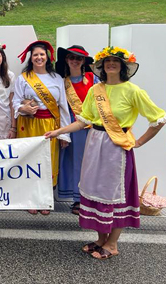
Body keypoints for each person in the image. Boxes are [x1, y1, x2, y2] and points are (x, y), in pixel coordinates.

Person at [45, 46, 166, 260]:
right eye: (107, 62)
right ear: (101, 66)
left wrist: (139, 141)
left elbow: (158, 119)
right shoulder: (95, 90)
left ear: (123, 66)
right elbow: (83, 120)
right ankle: (101, 239)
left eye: (116, 62)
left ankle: (112, 243)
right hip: (95, 144)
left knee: (114, 195)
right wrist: (59, 131)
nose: (111, 64)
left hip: (117, 148)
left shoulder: (133, 91)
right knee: (95, 190)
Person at [13, 40, 71, 215]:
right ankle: (30, 198)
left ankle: (45, 199)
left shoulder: (56, 79)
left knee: (48, 161)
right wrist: (23, 108)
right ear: (31, 58)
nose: (39, 57)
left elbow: (63, 107)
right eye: (36, 55)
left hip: (50, 126)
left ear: (48, 57)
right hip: (29, 124)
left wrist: (64, 134)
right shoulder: (23, 78)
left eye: (42, 55)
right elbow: (16, 101)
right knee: (30, 160)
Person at [55, 45, 98, 215]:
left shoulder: (93, 78)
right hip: (73, 125)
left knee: (93, 162)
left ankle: (93, 198)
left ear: (83, 61)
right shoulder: (61, 81)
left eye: (78, 58)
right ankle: (78, 200)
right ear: (66, 59)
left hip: (92, 126)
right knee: (75, 162)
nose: (74, 61)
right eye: (71, 57)